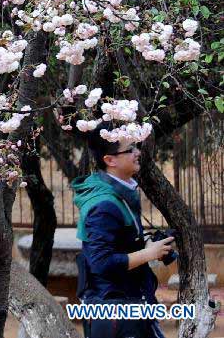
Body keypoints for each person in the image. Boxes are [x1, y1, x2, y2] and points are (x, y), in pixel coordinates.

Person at [72, 126, 175, 338]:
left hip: (129, 304)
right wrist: (148, 254)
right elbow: (101, 263)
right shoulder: (103, 205)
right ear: (110, 160)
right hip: (114, 311)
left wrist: (146, 247)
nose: (138, 152)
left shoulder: (119, 191)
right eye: (130, 149)